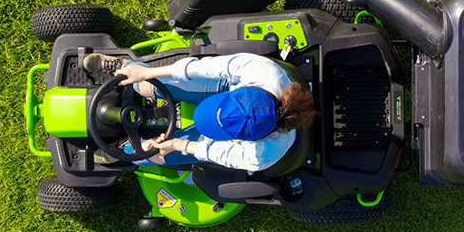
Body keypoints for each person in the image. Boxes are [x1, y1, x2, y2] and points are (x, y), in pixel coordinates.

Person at [83, 52, 316, 172]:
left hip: (232, 114)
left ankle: (122, 151)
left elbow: (214, 151)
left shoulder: (262, 154)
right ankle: (125, 68)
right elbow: (199, 67)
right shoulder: (260, 71)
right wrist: (147, 75)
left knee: (148, 155)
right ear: (249, 89)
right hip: (227, 88)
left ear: (249, 138)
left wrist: (175, 145)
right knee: (146, 79)